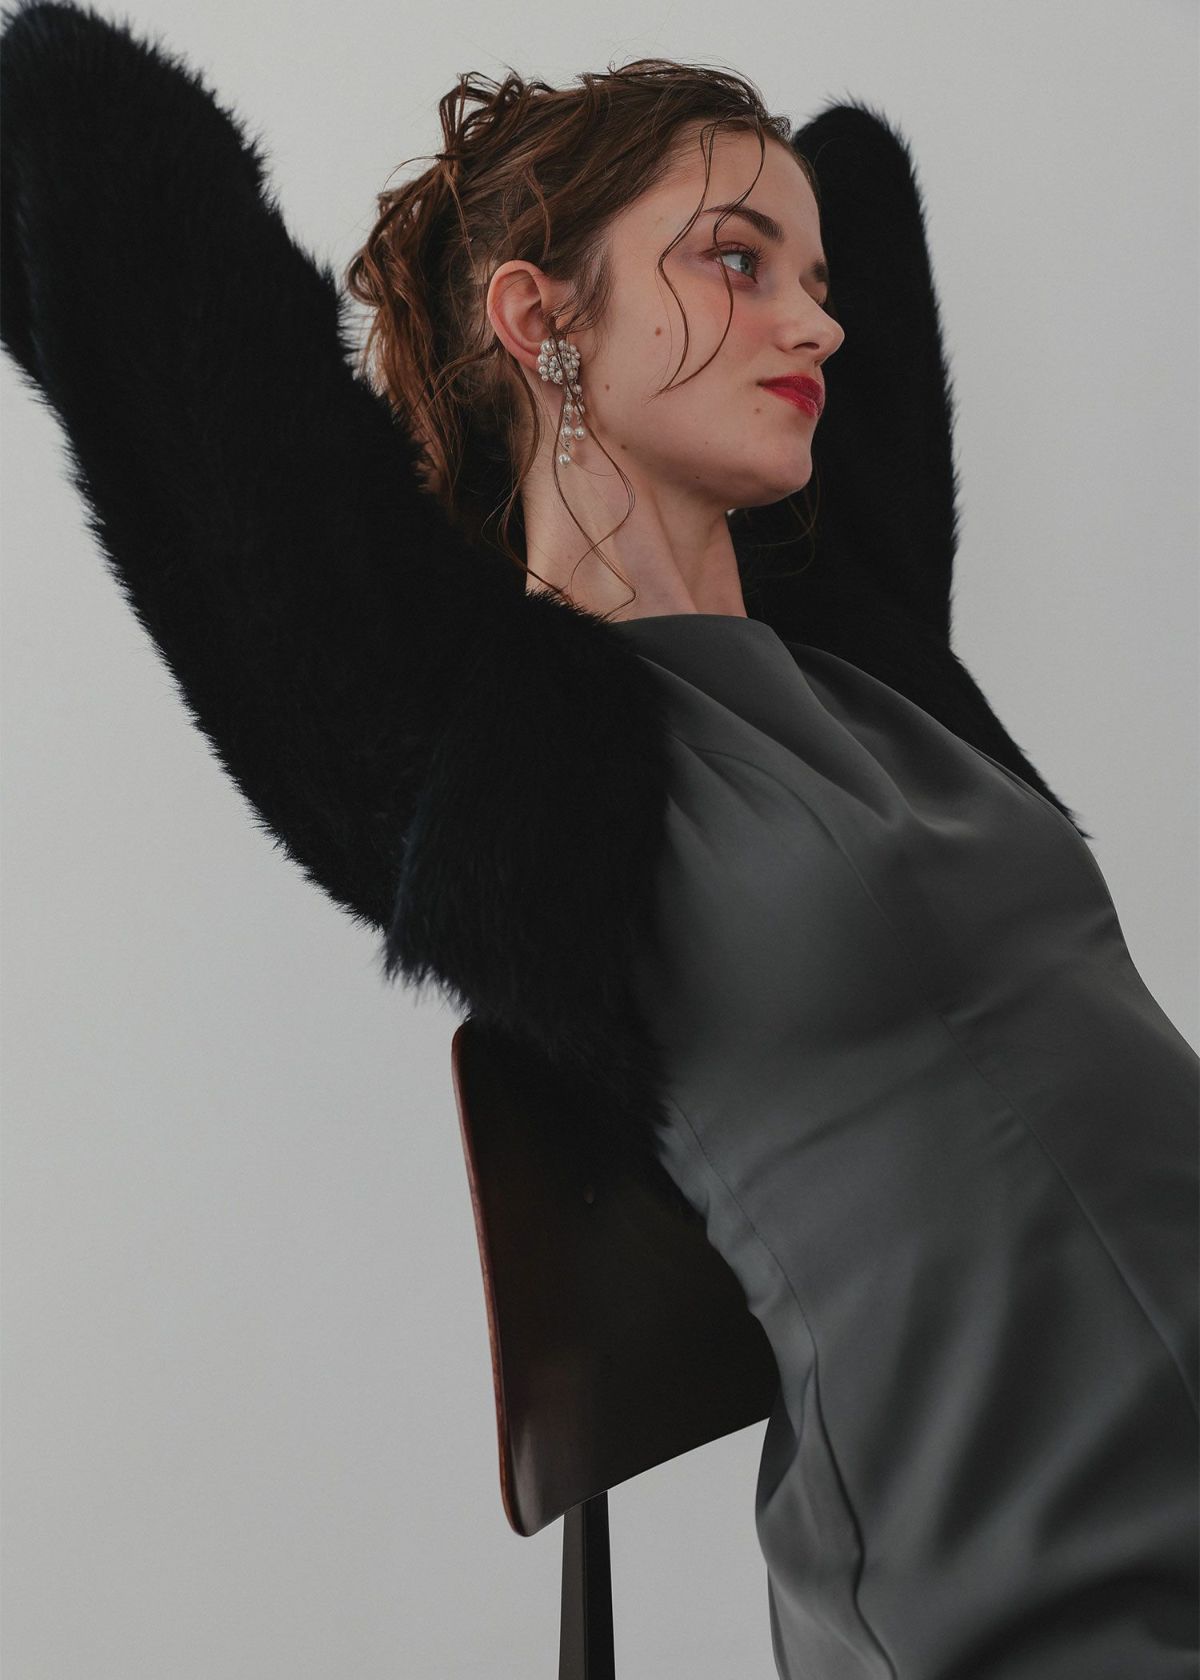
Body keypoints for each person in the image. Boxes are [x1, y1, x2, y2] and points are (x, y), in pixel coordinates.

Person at [2, 3, 1196, 1675]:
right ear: (538, 315)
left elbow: (862, 165)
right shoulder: (502, 758)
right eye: (736, 263)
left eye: (814, 280)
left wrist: (748, 208)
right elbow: (68, 116)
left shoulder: (868, 664)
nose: (818, 323)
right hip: (1039, 1587)